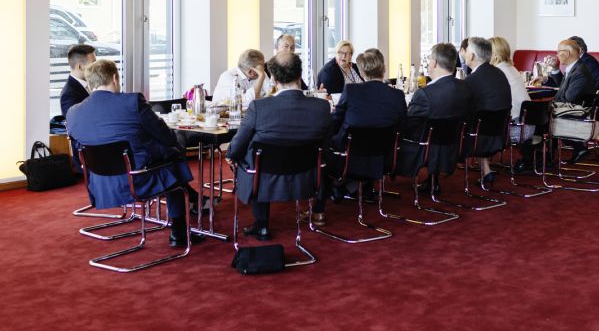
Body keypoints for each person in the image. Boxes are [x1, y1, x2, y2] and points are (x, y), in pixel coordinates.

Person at [67, 59, 202, 247]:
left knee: (166, 153)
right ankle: (179, 232)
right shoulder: (132, 102)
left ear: (89, 83)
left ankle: (187, 213)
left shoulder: (73, 112)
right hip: (137, 179)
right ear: (115, 78)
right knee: (174, 157)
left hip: (99, 183)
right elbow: (166, 136)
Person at [227, 52, 332, 239]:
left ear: (273, 79)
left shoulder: (259, 107)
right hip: (307, 175)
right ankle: (318, 209)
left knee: (251, 156)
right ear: (299, 76)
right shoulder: (322, 107)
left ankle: (262, 225)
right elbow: (327, 142)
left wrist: (231, 155)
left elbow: (238, 145)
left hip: (265, 176)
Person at [320, 48, 406, 212]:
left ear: (361, 71)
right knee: (368, 137)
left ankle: (333, 192)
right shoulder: (397, 95)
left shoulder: (352, 91)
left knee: (326, 144)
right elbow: (402, 126)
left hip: (350, 154)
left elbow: (335, 121)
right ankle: (358, 187)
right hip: (384, 155)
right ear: (383, 68)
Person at [404, 42, 472, 193]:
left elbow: (409, 126)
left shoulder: (425, 94)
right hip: (456, 145)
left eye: (429, 59)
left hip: (425, 148)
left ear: (434, 63)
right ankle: (432, 179)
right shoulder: (465, 88)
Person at [463, 37, 512, 187]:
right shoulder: (499, 74)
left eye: (466, 51)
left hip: (478, 137)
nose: (464, 54)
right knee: (479, 119)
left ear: (472, 56)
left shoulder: (471, 80)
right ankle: (486, 171)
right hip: (499, 133)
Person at [60, 43, 96, 172]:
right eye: (93, 63)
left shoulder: (91, 84)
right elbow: (78, 128)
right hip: (88, 148)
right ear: (80, 66)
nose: (96, 67)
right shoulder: (69, 94)